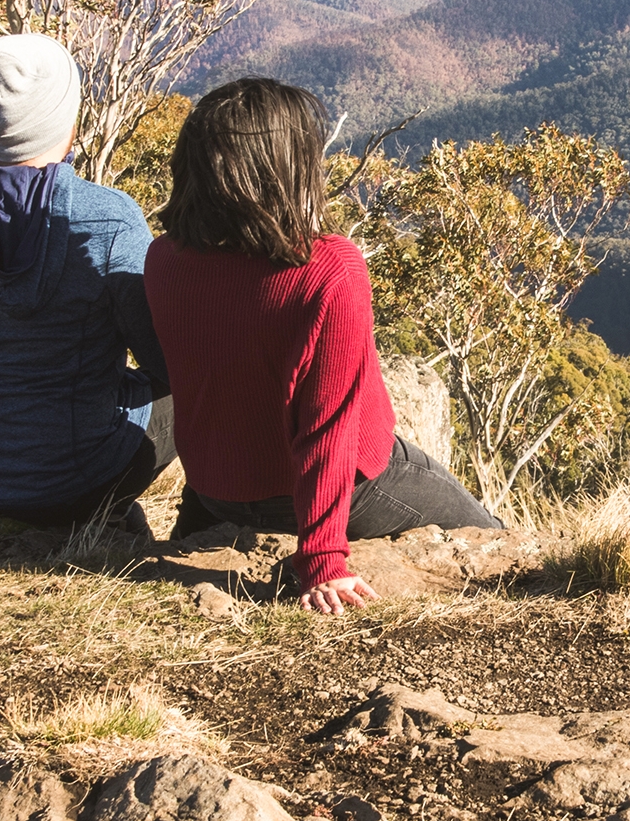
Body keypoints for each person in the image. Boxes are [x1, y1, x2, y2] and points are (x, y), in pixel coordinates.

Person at [144, 77, 498, 613]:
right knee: (495, 536)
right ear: (286, 172)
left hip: (216, 487)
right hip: (345, 489)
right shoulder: (327, 269)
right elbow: (328, 428)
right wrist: (323, 561)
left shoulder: (164, 259)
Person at [0, 33, 170, 525]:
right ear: (64, 115)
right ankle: (119, 510)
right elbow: (163, 361)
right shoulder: (108, 217)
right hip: (74, 477)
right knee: (182, 394)